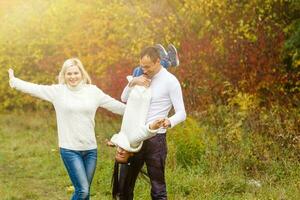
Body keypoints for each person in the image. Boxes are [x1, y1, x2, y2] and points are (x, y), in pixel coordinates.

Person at [8, 58, 126, 200]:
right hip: (69, 149)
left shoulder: (93, 91)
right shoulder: (58, 92)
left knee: (85, 192)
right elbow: (35, 89)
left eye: (76, 73)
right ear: (64, 75)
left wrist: (139, 111)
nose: (72, 77)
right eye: (69, 74)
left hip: (90, 150)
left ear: (82, 74)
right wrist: (15, 82)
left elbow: (115, 106)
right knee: (82, 191)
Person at [117, 45, 186, 200]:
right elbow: (124, 99)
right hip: (134, 136)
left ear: (158, 62)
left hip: (156, 140)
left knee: (158, 189)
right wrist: (133, 82)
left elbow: (182, 113)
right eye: (142, 66)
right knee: (124, 186)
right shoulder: (140, 75)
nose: (144, 70)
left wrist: (169, 121)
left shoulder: (171, 81)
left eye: (147, 67)